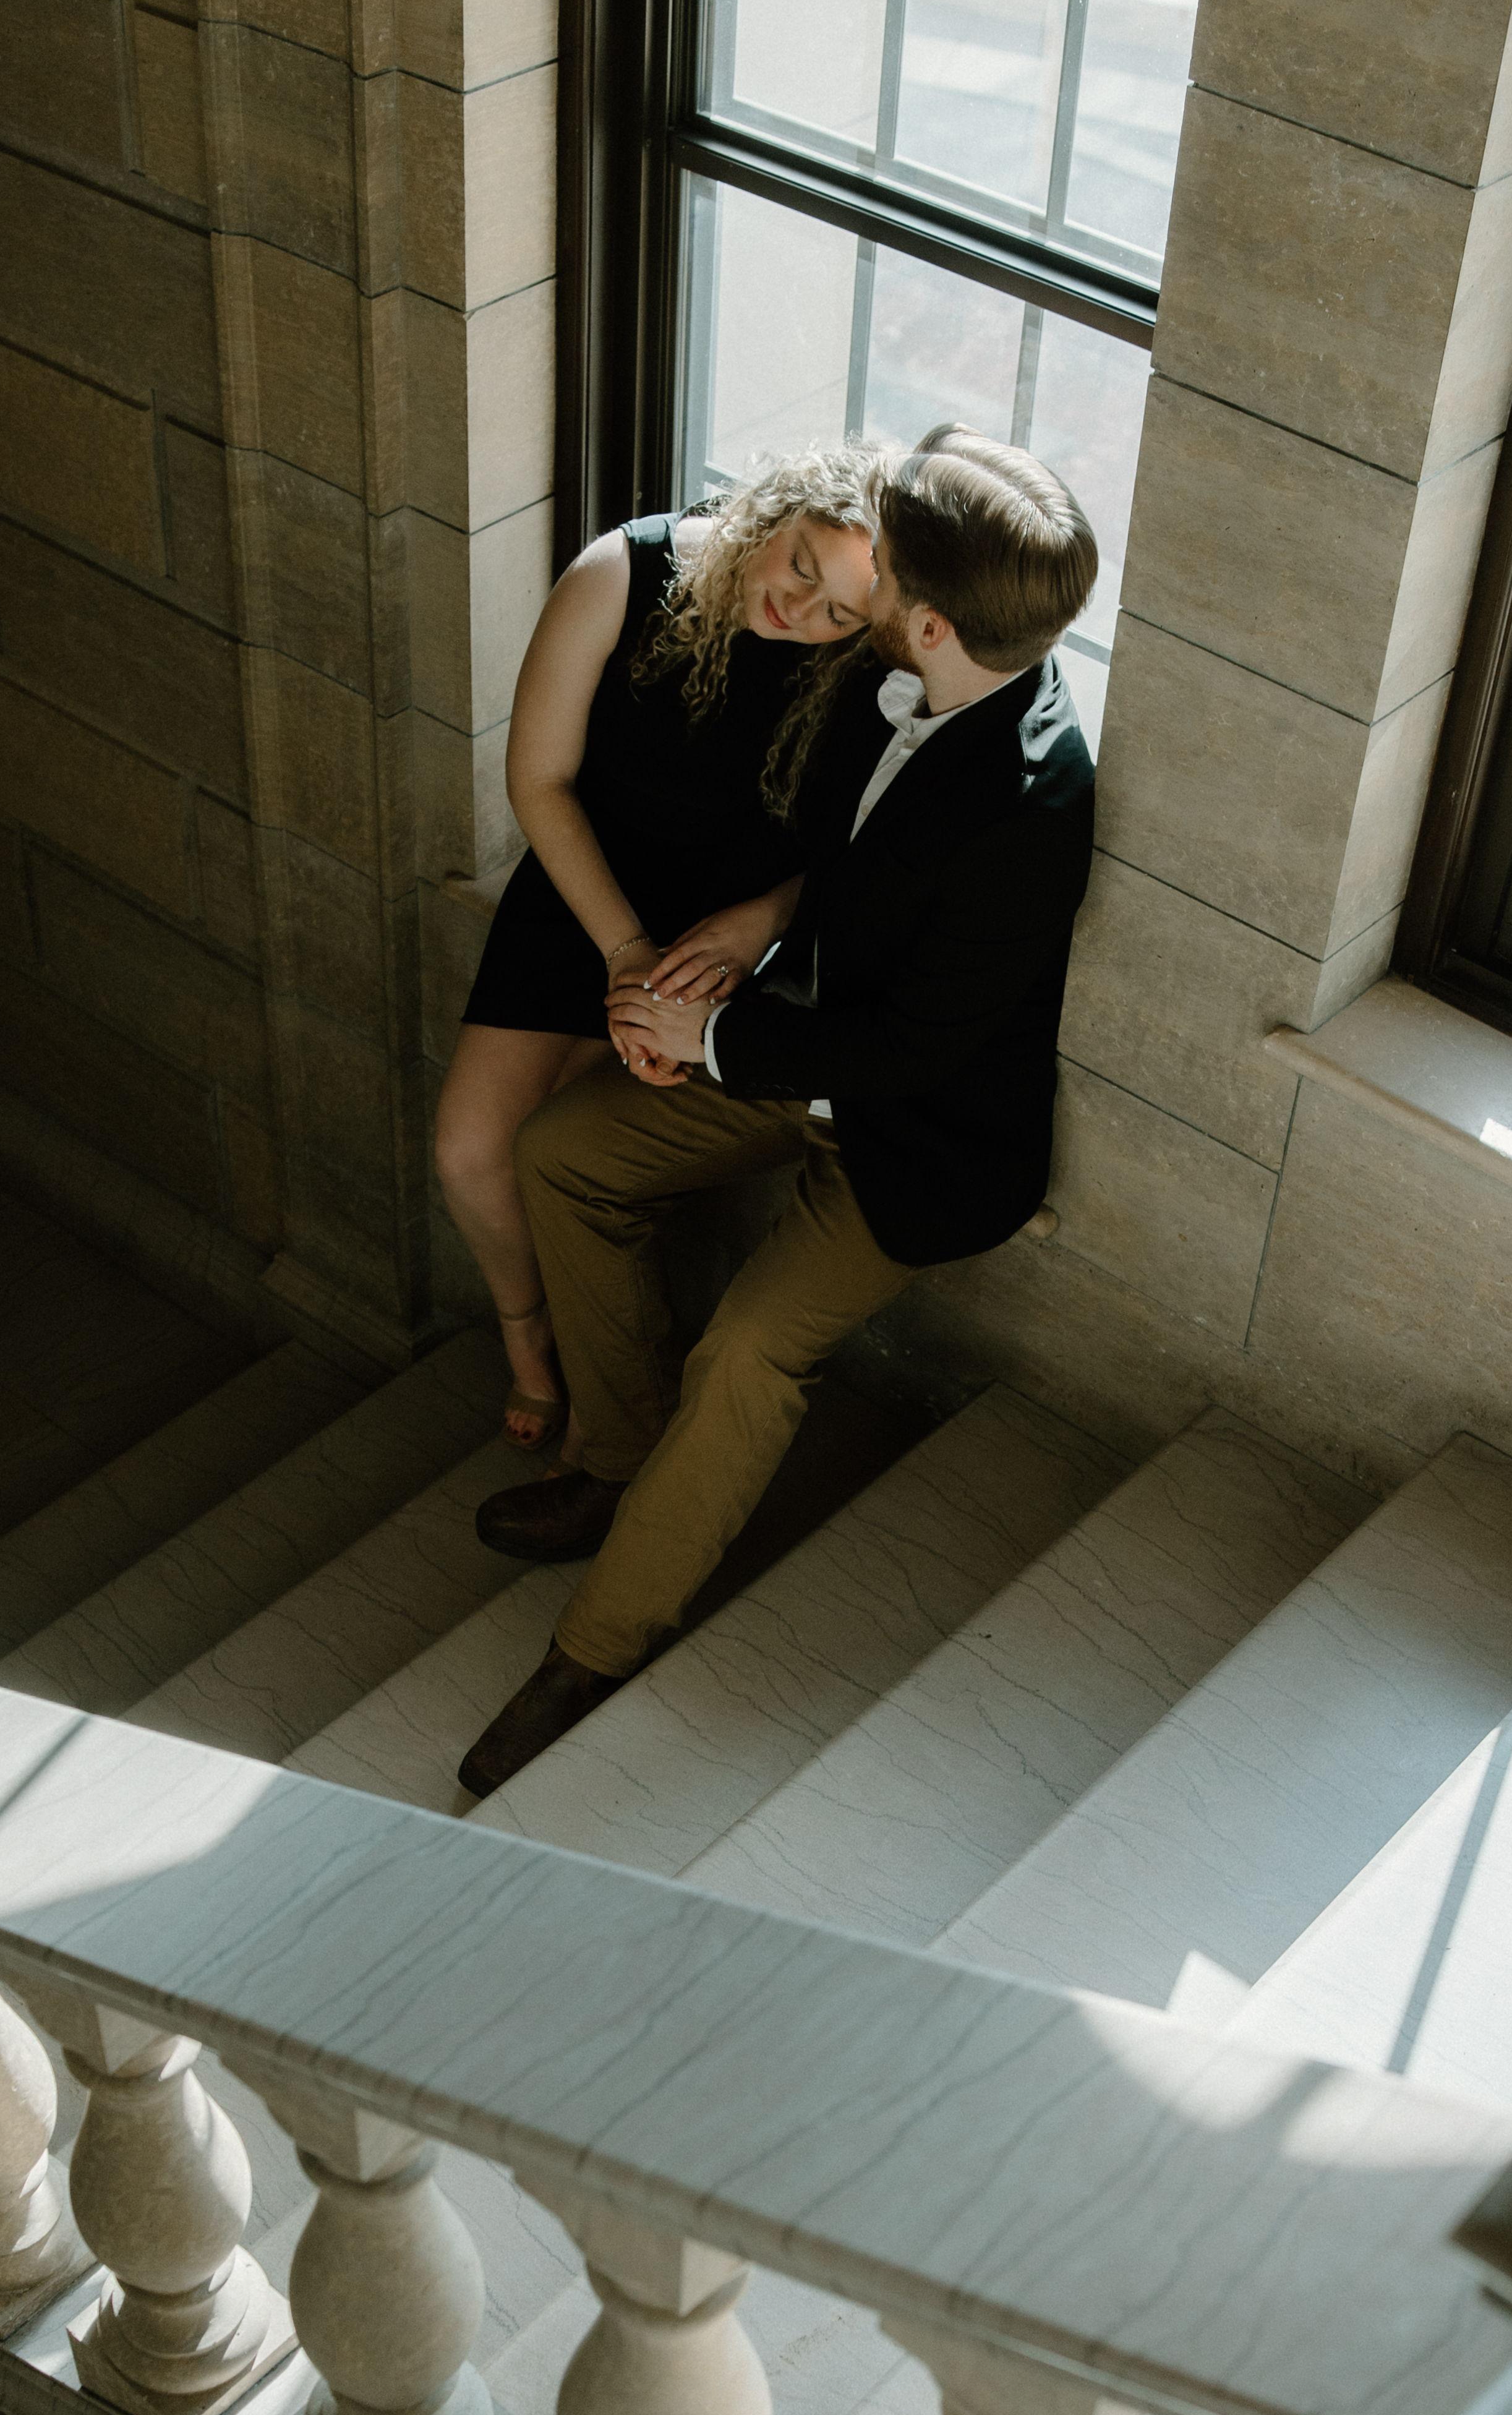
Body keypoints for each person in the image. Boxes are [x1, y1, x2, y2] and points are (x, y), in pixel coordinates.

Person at [455, 424, 1100, 1799]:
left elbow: (917, 1048)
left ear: (926, 622)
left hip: (910, 1138)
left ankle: (592, 1650)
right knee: (557, 1152)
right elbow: (822, 855)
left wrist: (706, 1033)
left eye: (878, 584)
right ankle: (614, 1459)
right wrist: (742, 934)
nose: (845, 604)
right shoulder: (899, 673)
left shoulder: (1029, 802)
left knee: (748, 1349)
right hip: (792, 1050)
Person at [435, 453, 884, 1459]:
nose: (800, 610)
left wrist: (759, 925)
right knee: (469, 1151)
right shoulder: (621, 571)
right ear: (776, 510)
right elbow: (537, 779)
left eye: (838, 614)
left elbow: (852, 845)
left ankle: (601, 1364)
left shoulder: (865, 669)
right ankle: (527, 1329)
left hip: (717, 937)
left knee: (568, 1144)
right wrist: (622, 949)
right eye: (801, 566)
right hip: (582, 890)